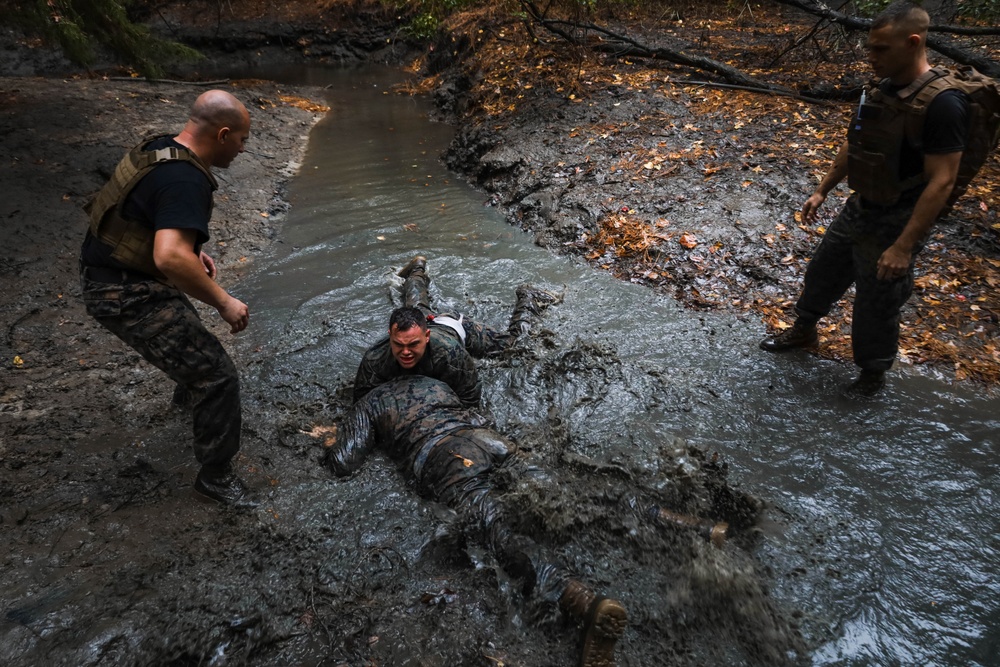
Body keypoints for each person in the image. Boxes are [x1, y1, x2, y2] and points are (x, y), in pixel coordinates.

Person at [322, 375, 629, 667]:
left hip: (447, 456)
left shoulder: (370, 402)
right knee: (557, 493)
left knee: (494, 525)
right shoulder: (436, 383)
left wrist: (328, 441)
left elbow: (344, 463)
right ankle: (658, 516)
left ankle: (582, 603)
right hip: (489, 439)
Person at [759, 1, 970, 397]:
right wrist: (823, 189)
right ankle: (804, 331)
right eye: (869, 48)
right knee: (824, 270)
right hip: (861, 205)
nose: (870, 56)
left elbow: (942, 182)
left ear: (912, 42)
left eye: (880, 49)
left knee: (877, 300)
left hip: (898, 217)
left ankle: (872, 373)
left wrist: (904, 247)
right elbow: (855, 142)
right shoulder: (880, 89)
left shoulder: (944, 103)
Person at [79, 89, 257, 507]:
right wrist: (224, 302)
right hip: (122, 290)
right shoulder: (186, 179)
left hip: (113, 269)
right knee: (219, 377)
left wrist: (188, 249)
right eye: (243, 140)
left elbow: (149, 222)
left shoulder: (161, 149)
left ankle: (189, 396)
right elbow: (169, 256)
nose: (244, 149)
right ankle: (215, 477)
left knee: (186, 333)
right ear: (223, 134)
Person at [353, 255, 559, 406]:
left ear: (426, 337)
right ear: (390, 337)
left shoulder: (450, 354)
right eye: (399, 345)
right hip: (422, 319)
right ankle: (416, 269)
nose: (405, 352)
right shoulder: (374, 359)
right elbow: (361, 405)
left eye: (413, 345)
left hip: (454, 327)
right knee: (415, 305)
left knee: (516, 344)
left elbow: (470, 398)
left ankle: (528, 297)